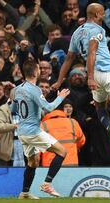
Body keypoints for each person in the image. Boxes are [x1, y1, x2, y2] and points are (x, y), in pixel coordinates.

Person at [52, 3, 110, 161]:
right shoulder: (98, 30)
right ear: (97, 15)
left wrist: (59, 81)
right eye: (102, 13)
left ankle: (108, 127)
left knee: (100, 106)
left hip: (94, 74)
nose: (105, 15)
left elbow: (69, 59)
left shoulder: (77, 33)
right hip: (107, 72)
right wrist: (91, 77)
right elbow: (92, 52)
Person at [12, 60, 70, 199]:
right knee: (62, 151)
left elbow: (13, 109)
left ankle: (24, 193)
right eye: (39, 69)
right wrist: (60, 97)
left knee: (33, 162)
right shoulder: (34, 89)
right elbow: (49, 108)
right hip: (32, 131)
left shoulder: (17, 89)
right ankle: (47, 184)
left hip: (22, 132)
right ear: (35, 72)